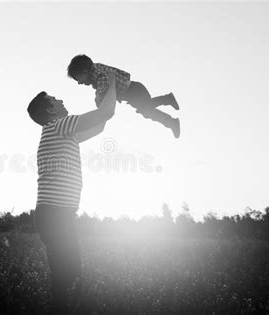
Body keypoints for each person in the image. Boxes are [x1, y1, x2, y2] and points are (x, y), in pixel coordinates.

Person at [27, 72, 118, 313]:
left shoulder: (62, 131)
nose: (61, 100)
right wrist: (113, 86)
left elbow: (99, 124)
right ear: (50, 110)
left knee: (68, 276)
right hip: (55, 214)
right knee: (69, 277)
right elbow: (105, 114)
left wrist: (106, 96)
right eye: (55, 99)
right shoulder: (58, 126)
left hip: (56, 214)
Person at [67, 54, 181, 138]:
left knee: (146, 109)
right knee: (146, 110)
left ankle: (168, 104)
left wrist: (99, 97)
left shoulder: (96, 72)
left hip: (134, 91)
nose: (79, 83)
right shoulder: (96, 71)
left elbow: (105, 81)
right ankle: (171, 120)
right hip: (133, 92)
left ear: (85, 72)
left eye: (78, 79)